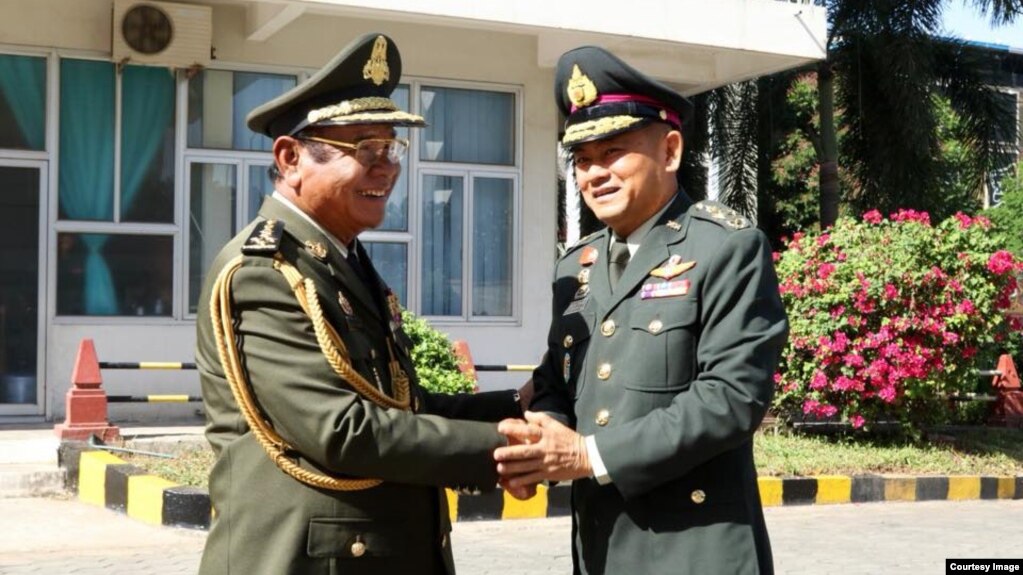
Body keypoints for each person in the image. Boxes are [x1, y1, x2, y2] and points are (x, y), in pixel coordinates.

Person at [195, 33, 527, 575]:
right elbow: (342, 430)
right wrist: (506, 445)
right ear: (290, 157)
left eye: (391, 150)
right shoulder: (265, 270)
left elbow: (398, 406)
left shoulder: (334, 256)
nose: (387, 168)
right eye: (364, 151)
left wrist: (516, 403)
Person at [494, 45, 789, 575]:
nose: (594, 175)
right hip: (603, 545)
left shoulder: (726, 247)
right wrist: (537, 447)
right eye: (582, 161)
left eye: (613, 153)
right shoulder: (574, 265)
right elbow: (557, 382)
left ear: (670, 151)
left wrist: (587, 456)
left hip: (696, 549)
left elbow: (732, 398)